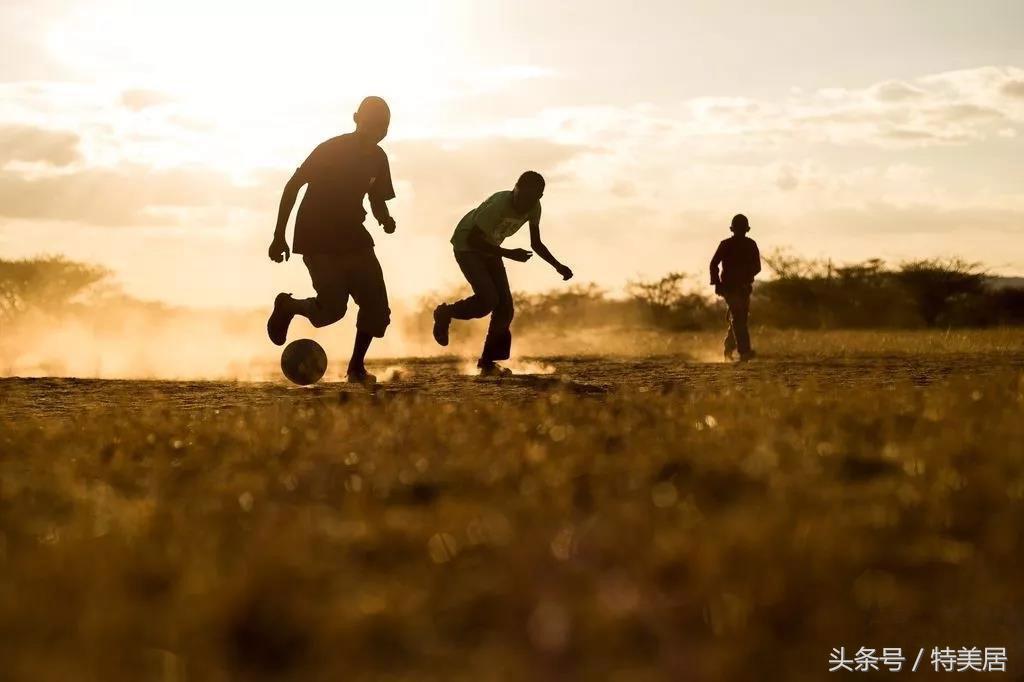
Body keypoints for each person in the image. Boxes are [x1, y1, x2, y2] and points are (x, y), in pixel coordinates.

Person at [266, 96, 397, 384]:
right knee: (331, 311)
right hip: (317, 237)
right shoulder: (331, 149)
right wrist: (279, 236)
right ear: (356, 119)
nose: (377, 131)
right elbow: (293, 186)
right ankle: (288, 306)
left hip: (354, 236)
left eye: (383, 126)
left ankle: (356, 368)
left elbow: (376, 197)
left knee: (377, 308)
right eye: (372, 124)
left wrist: (384, 218)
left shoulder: (378, 158)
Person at [432, 172, 573, 376]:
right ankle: (445, 313)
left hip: (490, 248)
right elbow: (473, 239)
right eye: (522, 196)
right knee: (488, 300)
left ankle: (488, 363)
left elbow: (536, 243)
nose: (524, 203)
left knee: (505, 307)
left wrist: (557, 265)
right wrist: (509, 253)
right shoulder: (499, 204)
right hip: (467, 247)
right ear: (515, 188)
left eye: (531, 198)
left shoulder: (534, 207)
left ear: (539, 197)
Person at [710, 214, 761, 361]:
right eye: (739, 228)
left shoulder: (751, 245)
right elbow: (714, 264)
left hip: (743, 288)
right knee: (739, 317)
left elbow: (757, 267)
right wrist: (717, 283)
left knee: (740, 318)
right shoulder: (726, 244)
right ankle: (744, 351)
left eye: (742, 228)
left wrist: (746, 277)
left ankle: (729, 348)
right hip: (729, 288)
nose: (740, 231)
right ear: (733, 229)